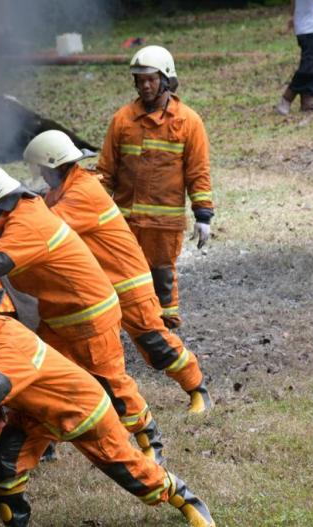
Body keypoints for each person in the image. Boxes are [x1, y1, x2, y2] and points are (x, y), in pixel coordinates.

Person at [0, 284, 216, 527]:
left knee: (131, 473)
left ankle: (183, 497)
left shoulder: (8, 343)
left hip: (82, 413)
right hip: (35, 418)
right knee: (7, 469)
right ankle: (16, 519)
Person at [0, 164, 166, 461]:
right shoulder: (16, 213)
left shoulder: (28, 224)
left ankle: (149, 441)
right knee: (42, 378)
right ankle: (42, 445)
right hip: (61, 316)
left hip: (89, 315)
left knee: (112, 382)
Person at [24, 130, 212, 413]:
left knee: (155, 344)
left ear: (57, 165)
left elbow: (44, 228)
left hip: (126, 284)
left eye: (42, 168)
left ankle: (197, 389)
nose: (40, 173)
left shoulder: (82, 192)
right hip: (98, 290)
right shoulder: (61, 191)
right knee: (60, 350)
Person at [98, 45, 214, 329]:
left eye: (150, 78)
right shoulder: (122, 120)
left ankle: (165, 328)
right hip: (125, 220)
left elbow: (198, 171)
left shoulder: (188, 122)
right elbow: (106, 172)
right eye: (140, 79)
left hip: (164, 223)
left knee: (161, 274)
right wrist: (93, 211)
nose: (145, 85)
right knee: (123, 274)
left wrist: (203, 216)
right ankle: (128, 325)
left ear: (165, 78)